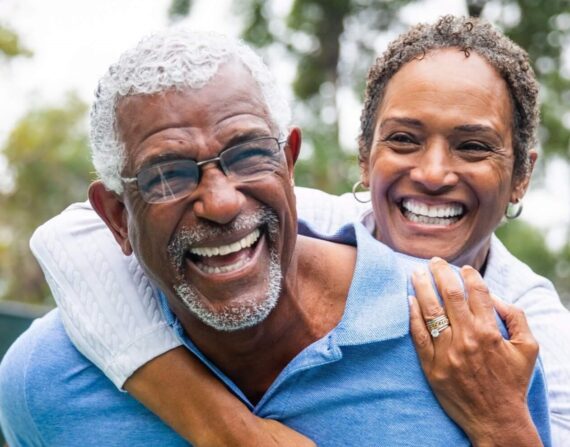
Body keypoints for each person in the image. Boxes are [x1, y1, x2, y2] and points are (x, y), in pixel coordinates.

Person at [0, 21, 552, 446]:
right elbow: (66, 236)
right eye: (168, 174)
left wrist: (505, 424)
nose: (220, 203)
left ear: (288, 161)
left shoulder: (509, 347)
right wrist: (227, 428)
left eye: (473, 146)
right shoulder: (42, 384)